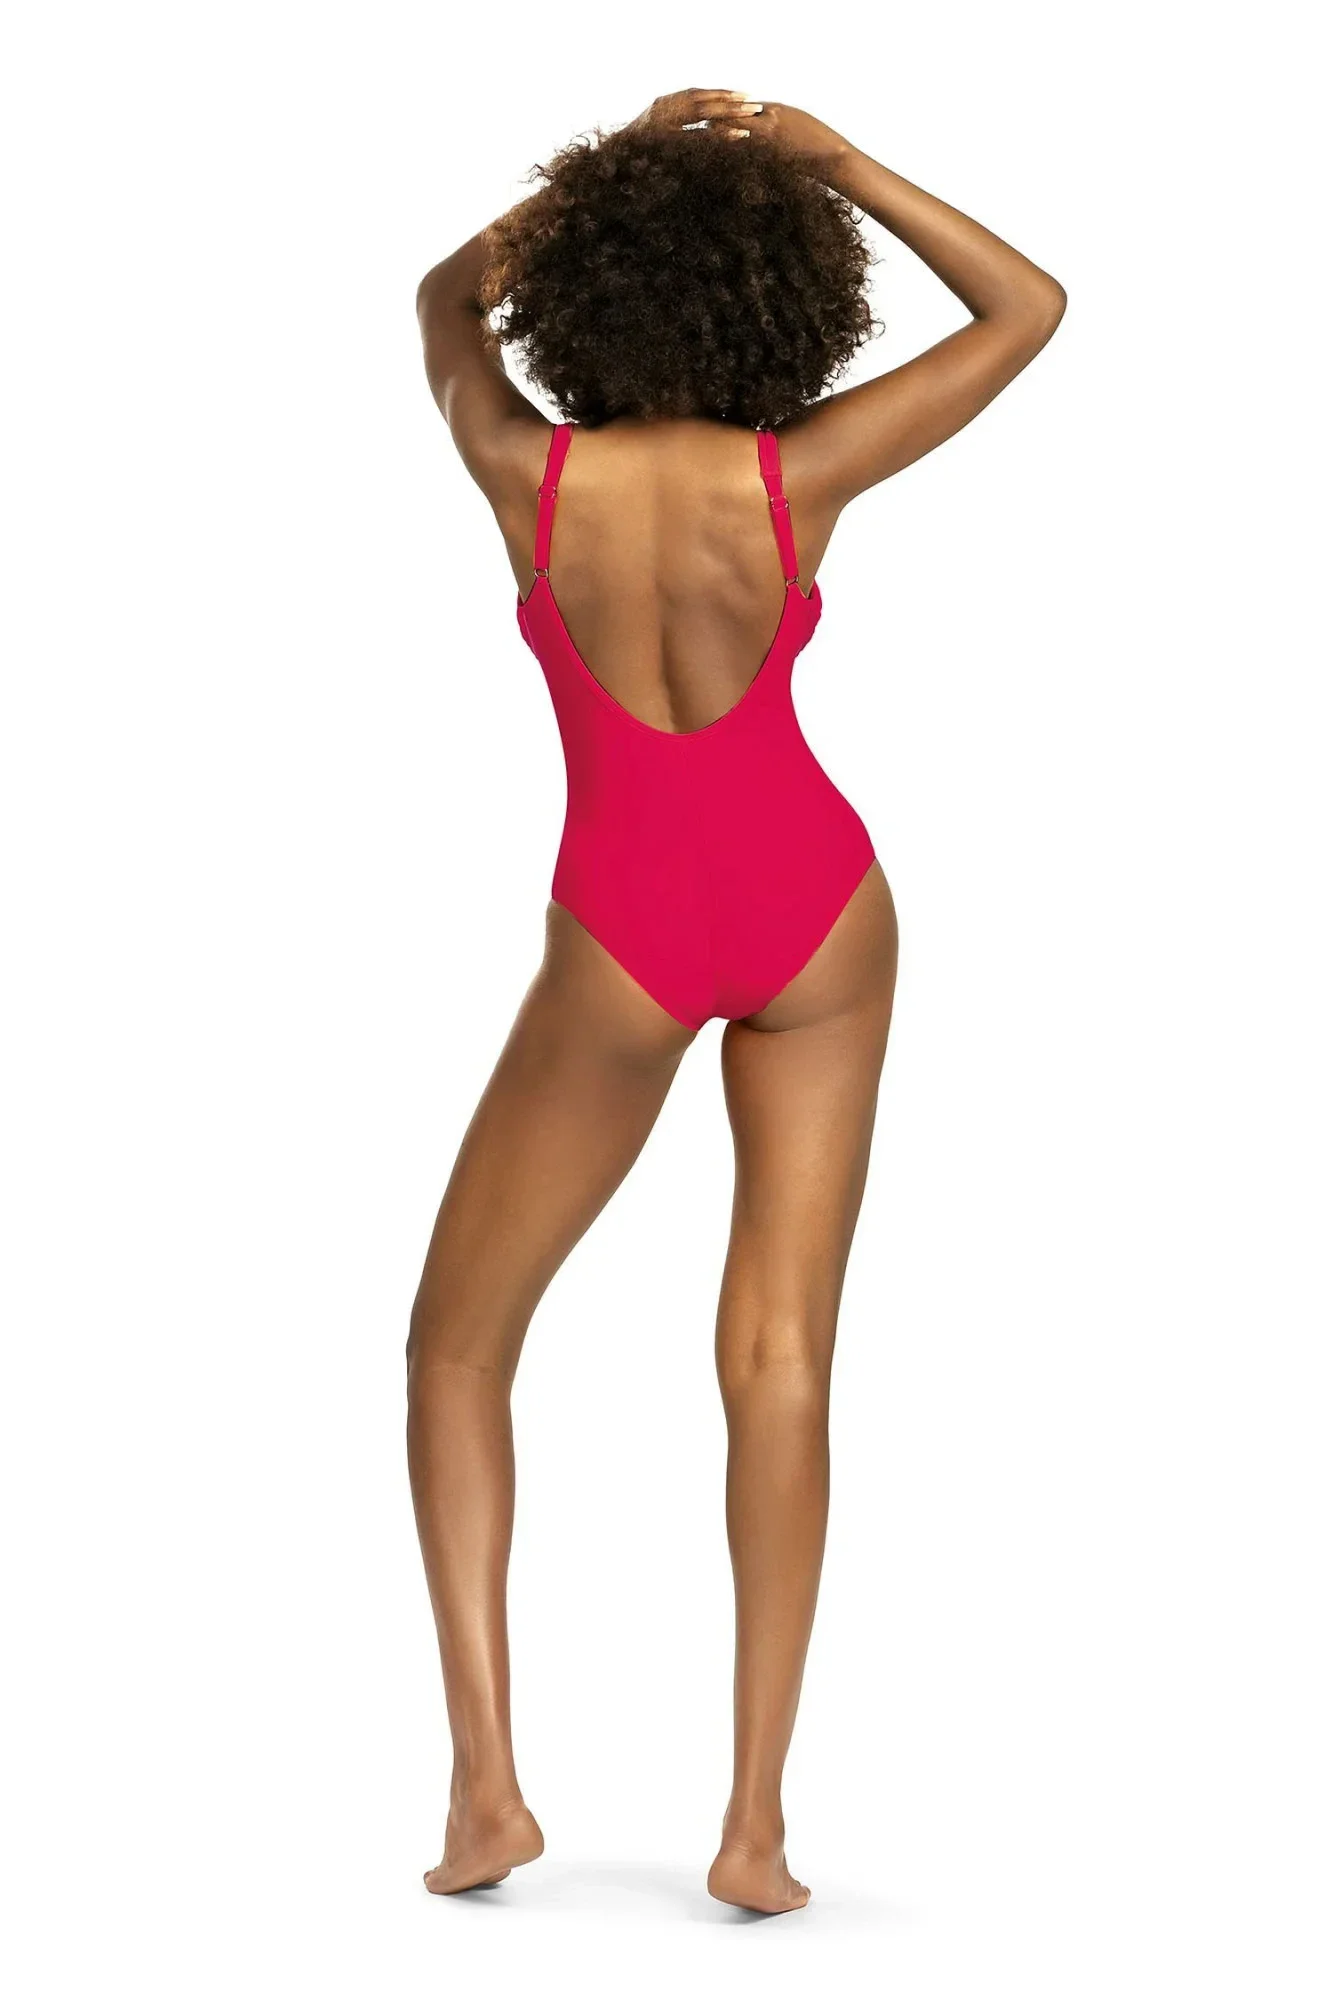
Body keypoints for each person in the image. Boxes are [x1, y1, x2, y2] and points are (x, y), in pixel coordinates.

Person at [409, 88, 1064, 1914]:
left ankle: (488, 1794)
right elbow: (1028, 308)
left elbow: (437, 307)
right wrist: (833, 161)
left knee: (456, 1347)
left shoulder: (526, 474)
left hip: (622, 934)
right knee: (779, 1356)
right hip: (820, 912)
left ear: (595, 295)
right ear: (780, 296)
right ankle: (756, 1832)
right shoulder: (800, 478)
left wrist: (566, 201)